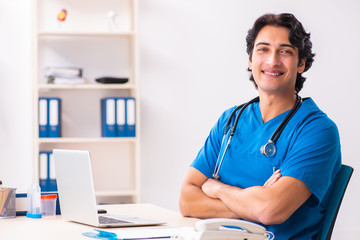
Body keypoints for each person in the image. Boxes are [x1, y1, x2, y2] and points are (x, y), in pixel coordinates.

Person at [179, 13, 341, 239]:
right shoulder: (231, 120)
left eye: (285, 51)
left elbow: (270, 210)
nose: (272, 61)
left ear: (301, 63)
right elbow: (187, 200)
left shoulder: (316, 130)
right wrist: (253, 201)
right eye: (263, 49)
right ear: (250, 59)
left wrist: (218, 189)